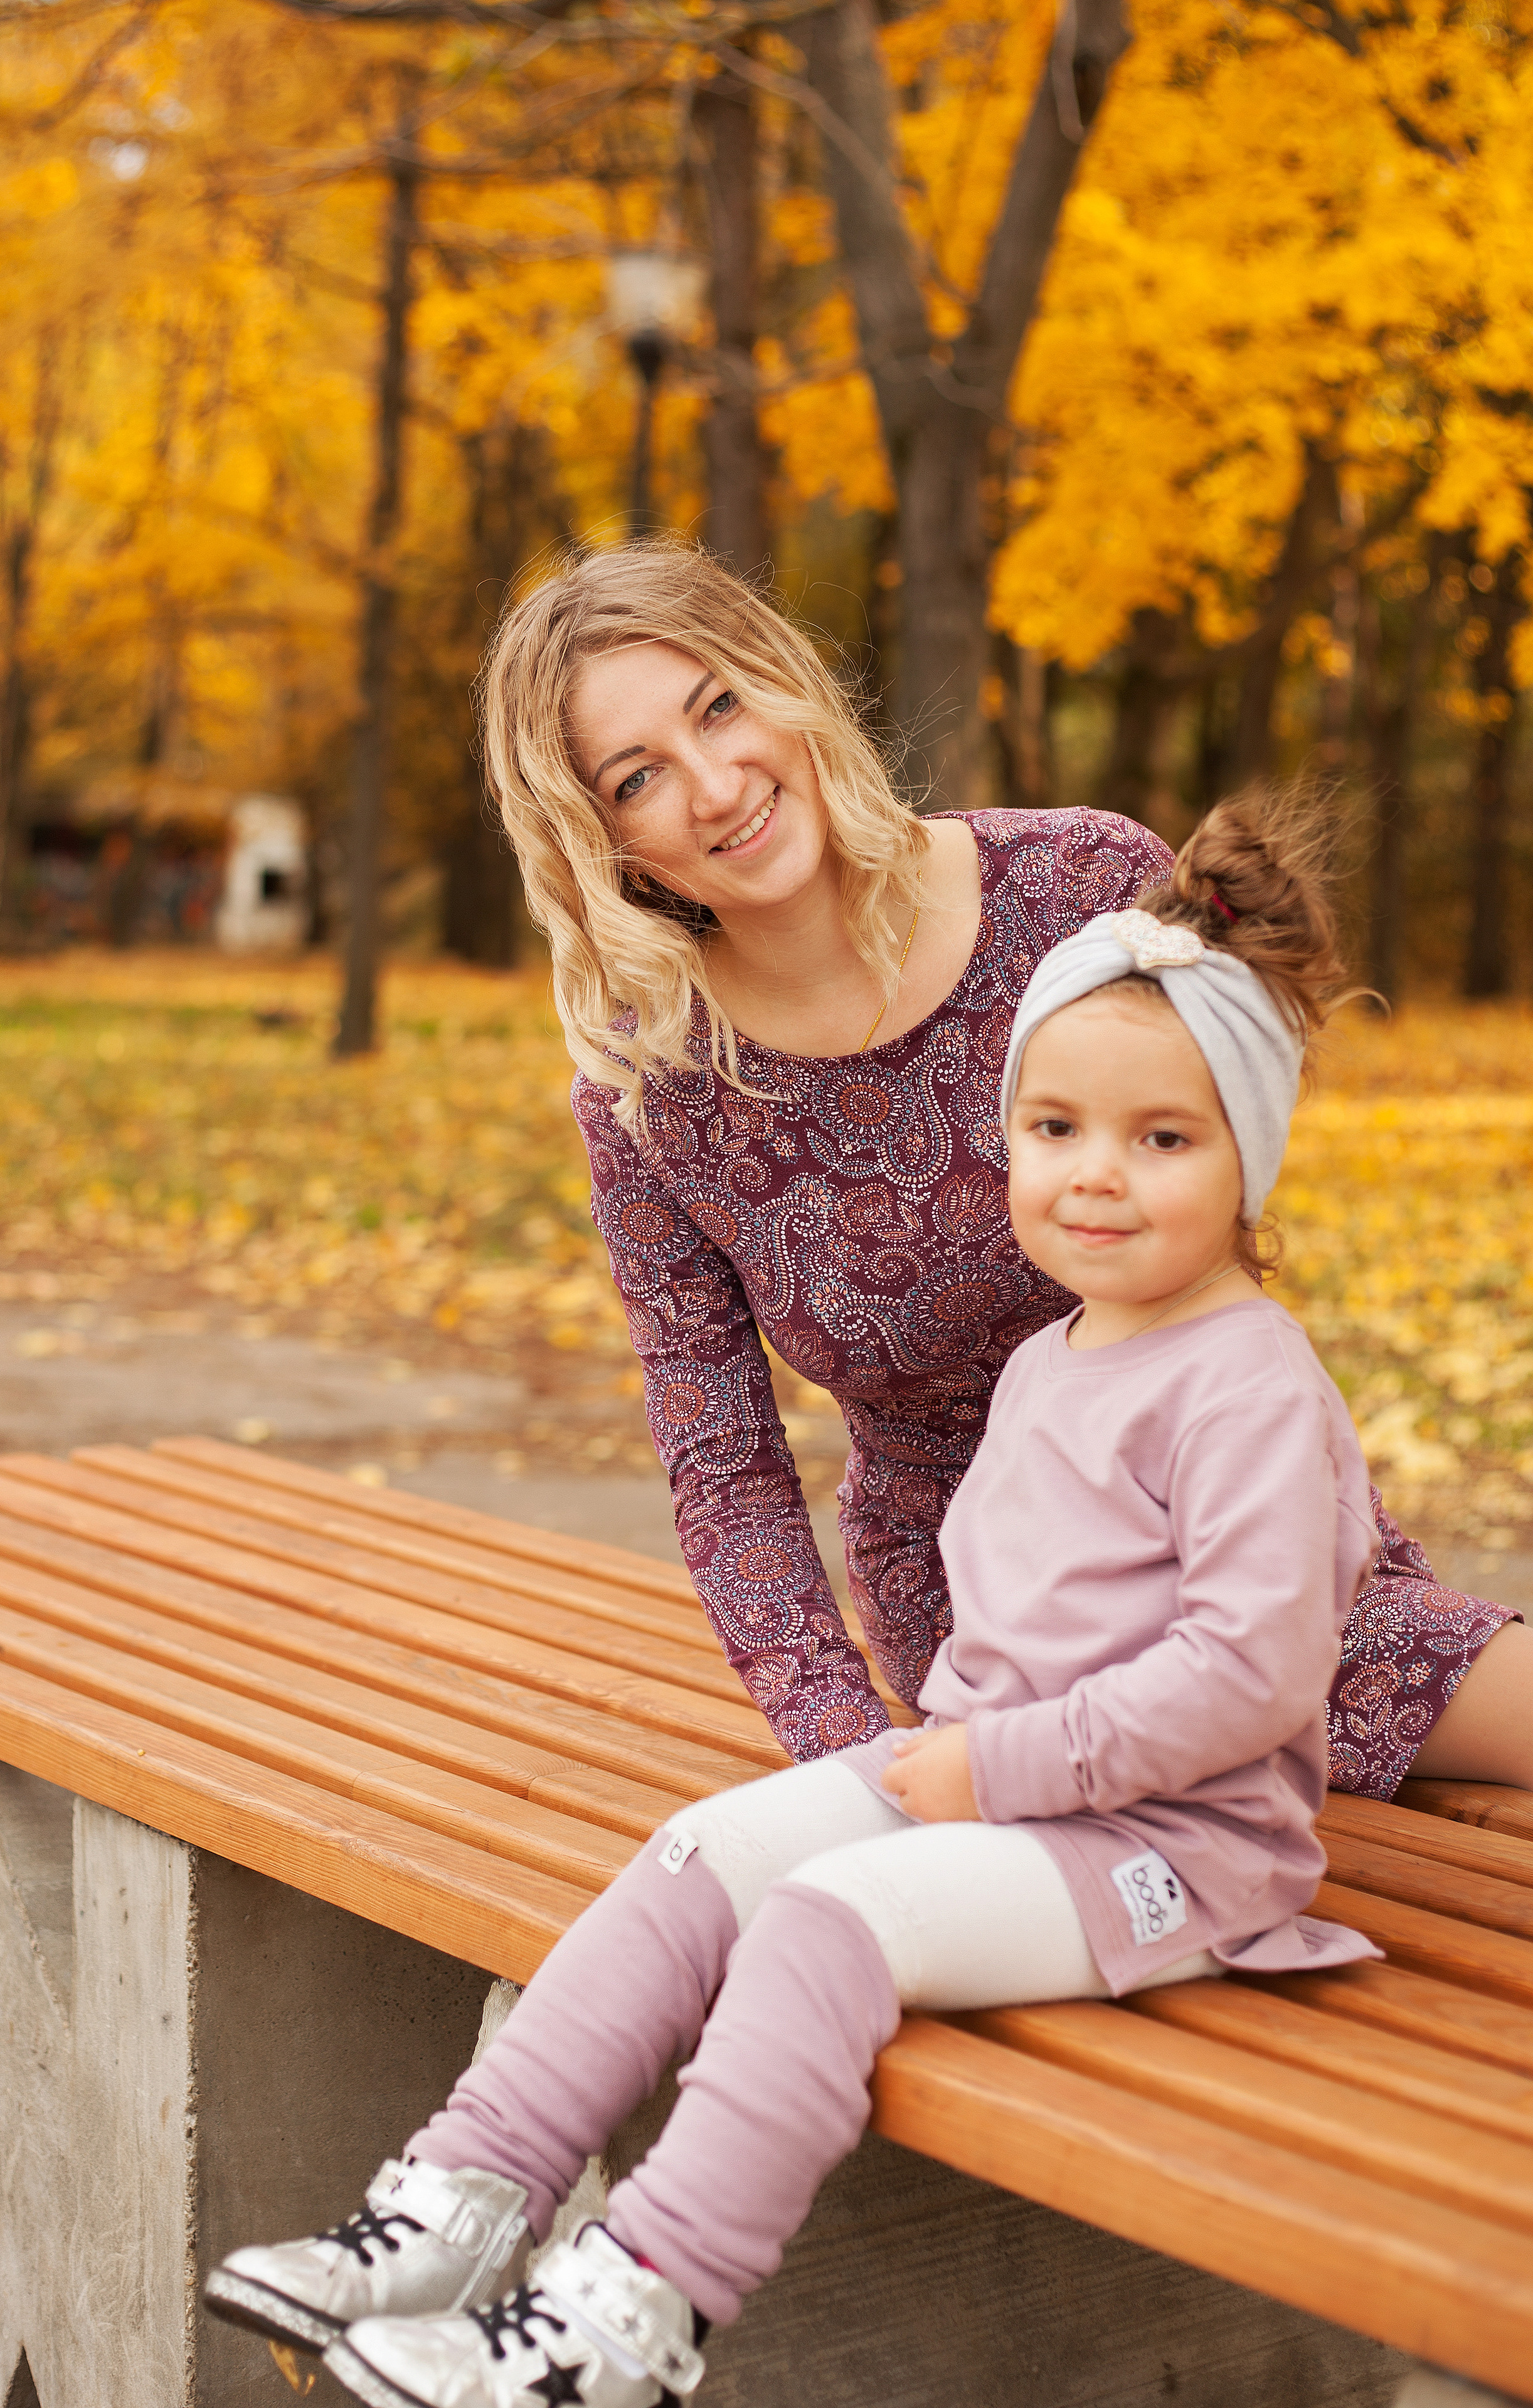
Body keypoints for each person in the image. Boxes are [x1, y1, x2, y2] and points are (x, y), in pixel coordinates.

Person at [206, 791, 1390, 2408]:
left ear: (1247, 1150)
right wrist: (956, 1769)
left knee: (827, 1929)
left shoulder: (1244, 1379)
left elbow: (1252, 1675)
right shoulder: (1057, 1350)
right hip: (1001, 1791)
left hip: (1172, 1860)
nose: (1094, 1179)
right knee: (702, 1852)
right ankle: (458, 2202)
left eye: (1160, 1139)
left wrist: (995, 1776)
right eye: (1051, 1131)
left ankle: (631, 2313)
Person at [475, 539, 1527, 1793]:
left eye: (720, 706)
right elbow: (726, 1474)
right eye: (637, 776)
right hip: (994, 1626)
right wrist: (852, 1762)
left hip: (1230, 1527)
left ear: (783, 682)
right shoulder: (651, 1096)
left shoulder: (1075, 889)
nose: (713, 784)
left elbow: (1238, 1166)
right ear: (599, 841)